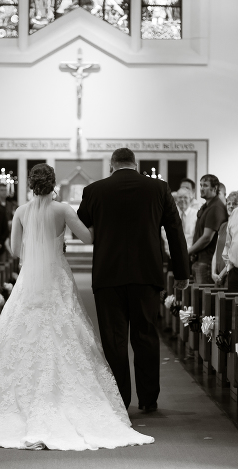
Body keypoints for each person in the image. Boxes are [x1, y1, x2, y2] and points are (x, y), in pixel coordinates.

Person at [0, 163, 154, 450]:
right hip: (56, 277)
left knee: (24, 334)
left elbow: (13, 247)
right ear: (53, 183)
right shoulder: (63, 210)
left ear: (31, 186)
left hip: (30, 281)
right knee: (65, 332)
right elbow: (89, 238)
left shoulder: (21, 212)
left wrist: (35, 250)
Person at [77, 148, 190, 413]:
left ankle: (120, 400)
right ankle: (148, 399)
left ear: (111, 165)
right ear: (135, 164)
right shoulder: (158, 189)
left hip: (108, 274)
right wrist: (182, 272)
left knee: (114, 340)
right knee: (146, 335)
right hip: (146, 274)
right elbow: (175, 231)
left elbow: (79, 226)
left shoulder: (94, 191)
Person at [187, 174, 227, 285]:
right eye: (200, 185)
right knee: (197, 297)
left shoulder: (215, 207)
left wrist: (188, 252)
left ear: (214, 188)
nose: (201, 188)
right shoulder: (207, 206)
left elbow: (206, 238)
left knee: (203, 299)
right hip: (200, 259)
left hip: (207, 261)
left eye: (205, 185)